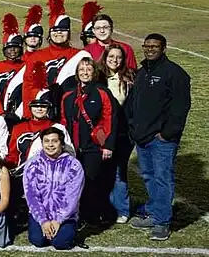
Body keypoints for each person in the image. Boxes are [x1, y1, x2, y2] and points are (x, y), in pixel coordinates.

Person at [126, 33, 191, 241]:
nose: (150, 49)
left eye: (155, 46)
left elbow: (180, 108)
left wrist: (167, 134)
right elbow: (134, 102)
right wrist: (133, 127)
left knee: (163, 178)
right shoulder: (142, 71)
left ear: (164, 48)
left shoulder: (175, 73)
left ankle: (162, 221)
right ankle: (154, 212)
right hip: (142, 136)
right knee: (148, 176)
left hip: (161, 139)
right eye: (147, 46)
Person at [60, 58, 118, 227]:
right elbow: (64, 121)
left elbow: (110, 119)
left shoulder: (102, 92)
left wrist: (108, 144)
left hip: (93, 146)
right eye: (82, 69)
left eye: (89, 69)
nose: (85, 72)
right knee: (72, 182)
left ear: (94, 72)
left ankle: (91, 214)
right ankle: (74, 213)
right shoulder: (68, 95)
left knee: (91, 181)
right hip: (73, 147)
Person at [24, 127, 84, 250]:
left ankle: (69, 230)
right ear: (42, 144)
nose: (50, 145)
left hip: (65, 216)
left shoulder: (74, 165)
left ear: (61, 144)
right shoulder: (32, 163)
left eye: (54, 141)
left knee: (60, 243)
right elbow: (31, 195)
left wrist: (58, 220)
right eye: (46, 141)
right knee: (38, 241)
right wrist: (43, 220)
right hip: (40, 214)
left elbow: (72, 197)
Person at [99, 45, 135, 224]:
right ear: (105, 57)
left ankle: (122, 208)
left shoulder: (129, 78)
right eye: (111, 56)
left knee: (120, 171)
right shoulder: (98, 78)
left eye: (119, 57)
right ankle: (104, 207)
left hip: (122, 133)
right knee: (103, 170)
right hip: (101, 133)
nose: (115, 60)